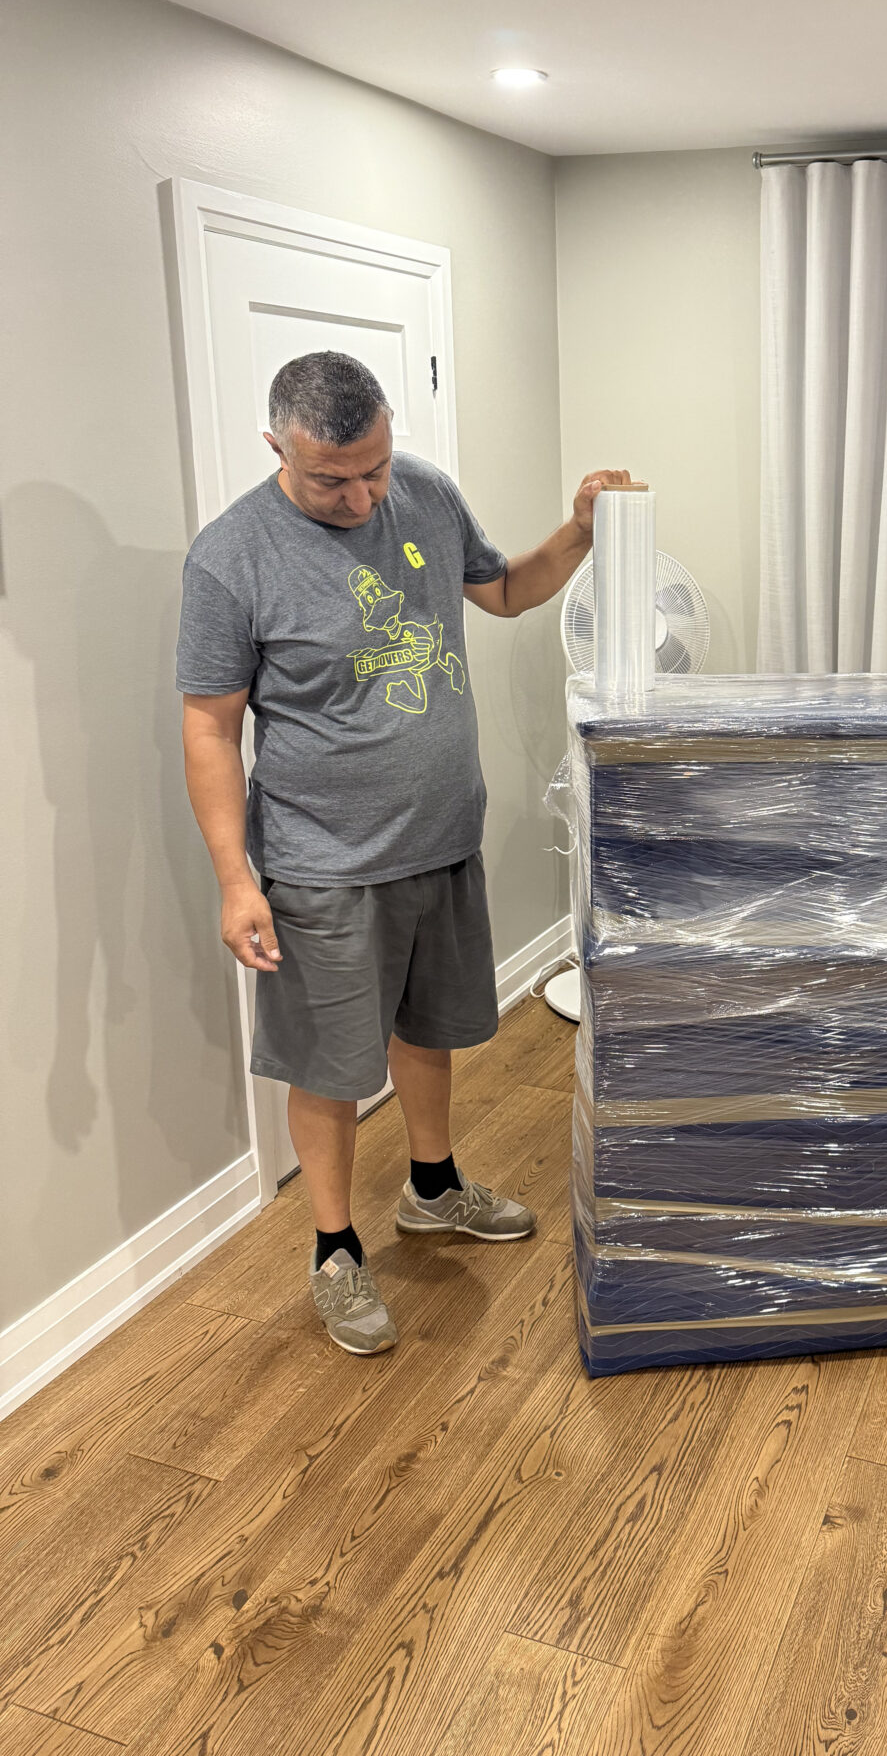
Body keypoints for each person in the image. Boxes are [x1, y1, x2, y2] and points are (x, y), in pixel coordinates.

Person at [177, 349, 632, 1354]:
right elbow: (209, 728)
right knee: (330, 1063)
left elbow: (504, 591)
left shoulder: (423, 493)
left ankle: (432, 1187)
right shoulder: (231, 557)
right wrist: (235, 880)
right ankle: (334, 1250)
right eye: (330, 480)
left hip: (440, 839)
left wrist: (579, 532)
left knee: (428, 1031)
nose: (361, 498)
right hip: (323, 861)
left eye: (374, 469)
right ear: (276, 448)